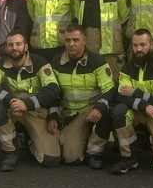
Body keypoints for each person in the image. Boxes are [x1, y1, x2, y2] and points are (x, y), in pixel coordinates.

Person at [0, 31, 61, 171]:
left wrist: (27, 104)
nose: (14, 48)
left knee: (50, 160)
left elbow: (53, 88)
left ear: (26, 46)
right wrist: (11, 100)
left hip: (35, 113)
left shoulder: (39, 62)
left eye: (18, 44)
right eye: (10, 45)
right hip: (12, 111)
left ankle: (31, 142)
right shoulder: (0, 65)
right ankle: (10, 151)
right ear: (6, 48)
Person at [46, 23, 115, 168]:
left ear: (84, 40)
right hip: (70, 113)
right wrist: (52, 116)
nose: (71, 44)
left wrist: (99, 108)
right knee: (71, 159)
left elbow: (110, 89)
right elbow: (53, 92)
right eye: (68, 40)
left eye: (75, 40)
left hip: (91, 109)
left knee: (107, 111)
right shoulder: (56, 62)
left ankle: (94, 154)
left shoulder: (97, 61)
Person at [110, 28, 153, 174]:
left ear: (151, 45)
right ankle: (129, 158)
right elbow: (121, 97)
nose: (139, 49)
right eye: (135, 45)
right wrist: (144, 105)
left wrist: (136, 93)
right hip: (139, 112)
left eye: (143, 45)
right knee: (119, 110)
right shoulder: (126, 68)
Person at [73, 0, 129, 73]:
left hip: (112, 51)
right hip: (89, 50)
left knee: (115, 84)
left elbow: (126, 21)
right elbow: (76, 20)